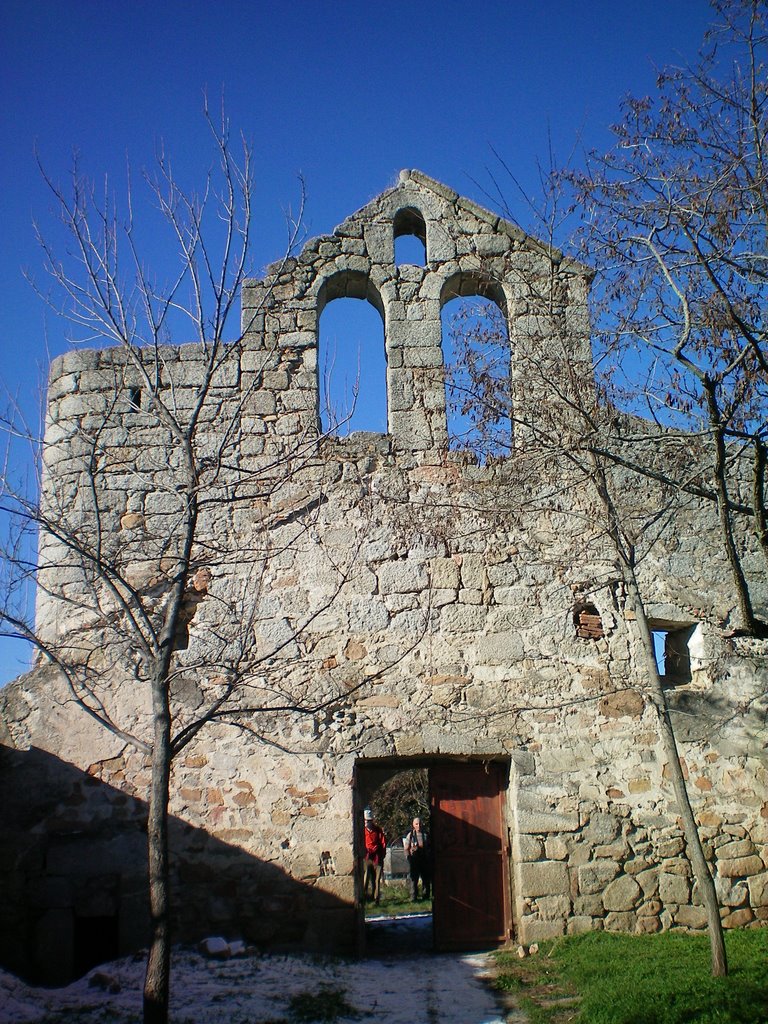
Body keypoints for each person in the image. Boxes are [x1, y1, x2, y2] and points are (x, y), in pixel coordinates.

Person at [403, 816, 432, 901]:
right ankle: (413, 897)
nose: (418, 825)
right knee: (413, 880)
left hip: (424, 860)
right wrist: (408, 858)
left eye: (420, 823)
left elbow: (430, 846)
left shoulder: (426, 834)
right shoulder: (410, 835)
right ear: (413, 825)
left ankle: (426, 896)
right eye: (416, 824)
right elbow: (406, 848)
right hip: (414, 860)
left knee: (426, 879)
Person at [362, 808, 386, 904]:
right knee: (365, 878)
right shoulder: (362, 831)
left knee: (376, 880)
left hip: (377, 857)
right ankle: (364, 898)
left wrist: (381, 855)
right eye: (366, 821)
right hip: (366, 857)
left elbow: (383, 843)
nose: (368, 823)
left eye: (369, 821)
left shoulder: (378, 830)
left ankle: (376, 899)